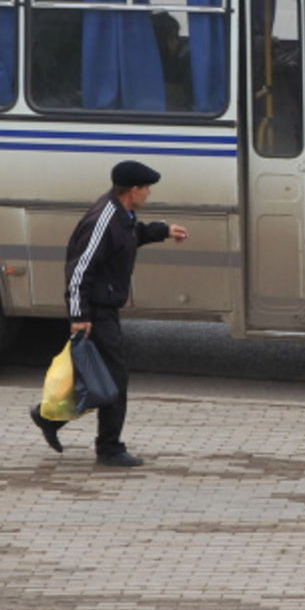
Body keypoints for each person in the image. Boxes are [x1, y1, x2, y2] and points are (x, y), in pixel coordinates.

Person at [30, 160, 187, 467]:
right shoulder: (103, 219)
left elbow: (130, 236)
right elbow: (79, 271)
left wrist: (162, 231)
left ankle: (49, 418)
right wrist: (78, 316)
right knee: (114, 379)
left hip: (104, 307)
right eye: (147, 188)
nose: (149, 193)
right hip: (95, 311)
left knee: (95, 377)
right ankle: (109, 448)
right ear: (133, 190)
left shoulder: (121, 213)